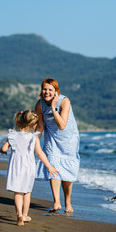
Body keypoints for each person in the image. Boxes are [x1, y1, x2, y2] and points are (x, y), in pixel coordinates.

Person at [0, 110, 59, 226]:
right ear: (34, 125)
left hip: (16, 167)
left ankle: (19, 215)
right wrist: (49, 167)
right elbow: (40, 153)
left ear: (20, 121)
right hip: (29, 168)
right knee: (27, 192)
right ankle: (25, 215)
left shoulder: (13, 135)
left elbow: (4, 148)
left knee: (17, 193)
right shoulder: (33, 137)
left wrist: (2, 151)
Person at [35, 77, 80, 213]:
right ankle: (56, 202)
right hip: (52, 139)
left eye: (50, 90)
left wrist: (54, 108)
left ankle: (68, 201)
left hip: (69, 139)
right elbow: (39, 127)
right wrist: (32, 141)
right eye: (44, 89)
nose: (46, 92)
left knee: (66, 171)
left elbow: (62, 125)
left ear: (56, 92)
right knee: (53, 166)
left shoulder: (64, 101)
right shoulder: (39, 104)